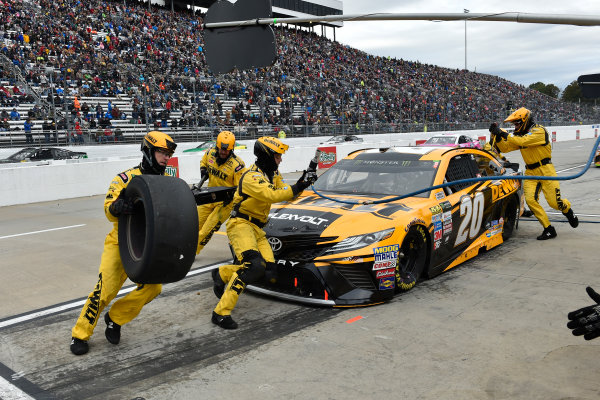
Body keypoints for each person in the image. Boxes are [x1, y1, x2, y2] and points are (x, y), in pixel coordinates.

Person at [70, 130, 177, 355]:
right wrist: (116, 207)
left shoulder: (169, 182)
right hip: (120, 244)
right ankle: (79, 334)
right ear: (148, 150)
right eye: (162, 152)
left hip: (149, 246)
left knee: (153, 287)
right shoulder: (124, 178)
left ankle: (115, 318)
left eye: (169, 153)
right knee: (104, 291)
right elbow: (108, 209)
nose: (166, 157)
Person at [210, 136, 313, 329]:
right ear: (266, 156)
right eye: (277, 156)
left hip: (257, 228)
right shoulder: (251, 176)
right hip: (240, 224)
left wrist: (302, 181)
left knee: (270, 273)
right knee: (253, 266)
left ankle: (223, 273)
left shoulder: (273, 174)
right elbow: (272, 195)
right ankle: (220, 313)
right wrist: (299, 186)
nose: (280, 159)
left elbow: (284, 190)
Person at [490, 107, 579, 240]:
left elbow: (523, 141)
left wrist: (503, 134)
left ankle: (567, 210)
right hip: (530, 172)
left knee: (554, 203)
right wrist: (496, 136)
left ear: (525, 120)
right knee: (531, 201)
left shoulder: (539, 131)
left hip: (546, 170)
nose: (515, 126)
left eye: (517, 123)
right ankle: (548, 229)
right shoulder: (520, 136)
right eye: (514, 124)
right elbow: (506, 148)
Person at [194, 131, 246, 255]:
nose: (223, 152)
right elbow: (203, 162)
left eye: (227, 150)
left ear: (232, 149)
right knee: (193, 225)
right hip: (209, 197)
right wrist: (203, 170)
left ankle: (190, 253)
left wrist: (235, 203)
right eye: (221, 149)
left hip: (225, 203)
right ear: (217, 146)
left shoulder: (238, 165)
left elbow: (241, 188)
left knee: (206, 231)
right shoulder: (209, 153)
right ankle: (185, 248)